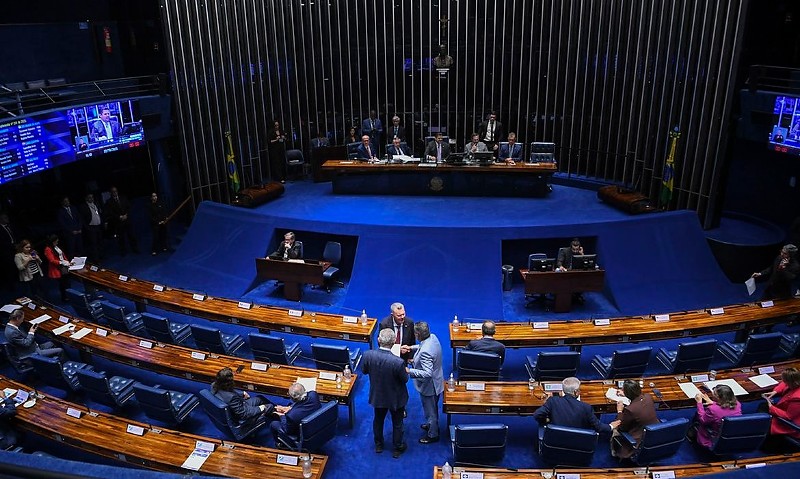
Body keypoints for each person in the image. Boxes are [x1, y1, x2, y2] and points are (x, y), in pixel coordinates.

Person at [361, 328, 409, 458]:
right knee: (397, 422)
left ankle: (378, 445)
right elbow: (405, 379)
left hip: (378, 395)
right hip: (396, 397)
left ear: (378, 340)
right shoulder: (398, 362)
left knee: (378, 420)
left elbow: (364, 371)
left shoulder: (368, 355)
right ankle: (398, 446)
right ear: (394, 342)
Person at [401, 321, 444, 444]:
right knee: (433, 408)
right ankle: (432, 426)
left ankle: (433, 434)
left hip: (430, 386)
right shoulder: (433, 337)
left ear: (418, 334)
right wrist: (411, 347)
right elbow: (422, 346)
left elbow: (427, 373)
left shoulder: (425, 352)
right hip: (437, 380)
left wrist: (409, 370)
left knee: (430, 412)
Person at [533, 377, 619, 434]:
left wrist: (547, 421)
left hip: (556, 440)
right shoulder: (586, 407)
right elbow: (598, 427)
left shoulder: (553, 401)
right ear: (575, 392)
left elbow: (537, 415)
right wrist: (611, 426)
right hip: (579, 442)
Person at [610, 379, 659, 459]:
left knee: (614, 428)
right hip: (654, 433)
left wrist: (619, 411)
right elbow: (638, 405)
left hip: (638, 440)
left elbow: (622, 427)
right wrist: (626, 394)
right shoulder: (648, 397)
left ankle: (616, 453)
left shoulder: (630, 410)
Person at [690, 384, 741, 449]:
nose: (712, 395)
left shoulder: (713, 409)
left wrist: (699, 403)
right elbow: (725, 407)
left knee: (697, 417)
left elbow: (702, 420)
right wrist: (713, 403)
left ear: (719, 398)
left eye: (714, 394)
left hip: (713, 437)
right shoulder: (737, 404)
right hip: (731, 433)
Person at [761, 367, 800, 452]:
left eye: (785, 381)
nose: (783, 382)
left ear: (790, 381)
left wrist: (771, 407)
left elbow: (788, 416)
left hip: (791, 423)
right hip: (785, 410)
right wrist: (776, 391)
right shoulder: (795, 380)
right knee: (762, 407)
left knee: (764, 423)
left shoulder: (797, 397)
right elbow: (783, 384)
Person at [104, 187, 139, 255]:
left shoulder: (123, 198)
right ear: (111, 193)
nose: (115, 193)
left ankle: (135, 249)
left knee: (131, 235)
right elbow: (110, 212)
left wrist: (126, 215)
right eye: (113, 192)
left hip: (127, 220)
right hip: (118, 222)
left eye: (116, 191)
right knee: (121, 237)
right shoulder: (109, 202)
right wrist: (119, 217)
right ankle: (123, 251)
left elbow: (128, 207)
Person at [43, 234, 71, 302]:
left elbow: (62, 255)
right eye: (56, 241)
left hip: (64, 266)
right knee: (62, 283)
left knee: (67, 282)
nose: (57, 243)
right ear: (52, 242)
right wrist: (62, 262)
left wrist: (67, 262)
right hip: (58, 268)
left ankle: (68, 295)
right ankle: (64, 297)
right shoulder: (48, 249)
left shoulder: (56, 247)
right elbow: (51, 260)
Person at [79, 193, 104, 263]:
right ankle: (96, 259)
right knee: (94, 244)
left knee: (100, 242)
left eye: (92, 197)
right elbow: (82, 219)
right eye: (89, 197)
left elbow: (100, 213)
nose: (91, 199)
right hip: (91, 228)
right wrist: (87, 228)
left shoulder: (96, 204)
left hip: (98, 227)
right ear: (86, 198)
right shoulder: (83, 207)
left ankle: (100, 256)